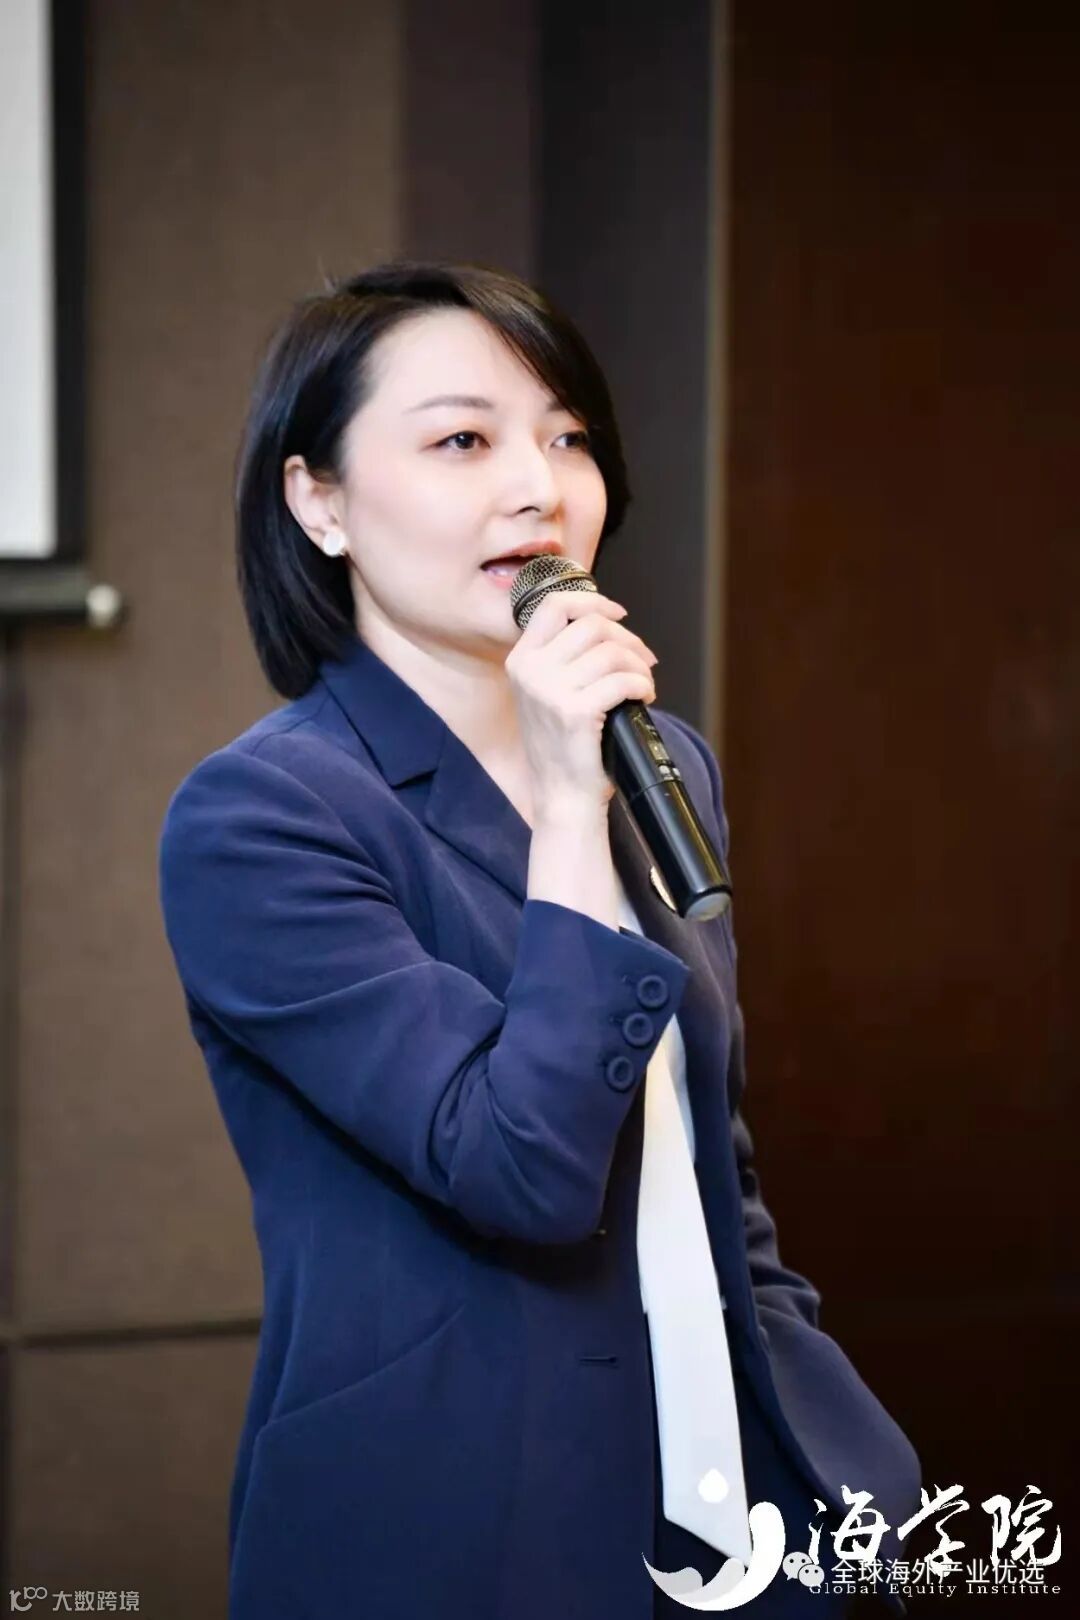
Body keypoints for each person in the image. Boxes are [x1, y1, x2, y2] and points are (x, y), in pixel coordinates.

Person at [158, 260, 922, 1620]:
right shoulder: (262, 816)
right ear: (318, 501)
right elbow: (520, 1167)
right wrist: (572, 808)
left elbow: (702, 1150)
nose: (539, 487)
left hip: (750, 1514)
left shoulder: (663, 760)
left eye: (568, 438)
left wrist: (830, 1435)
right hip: (463, 1531)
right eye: (462, 440)